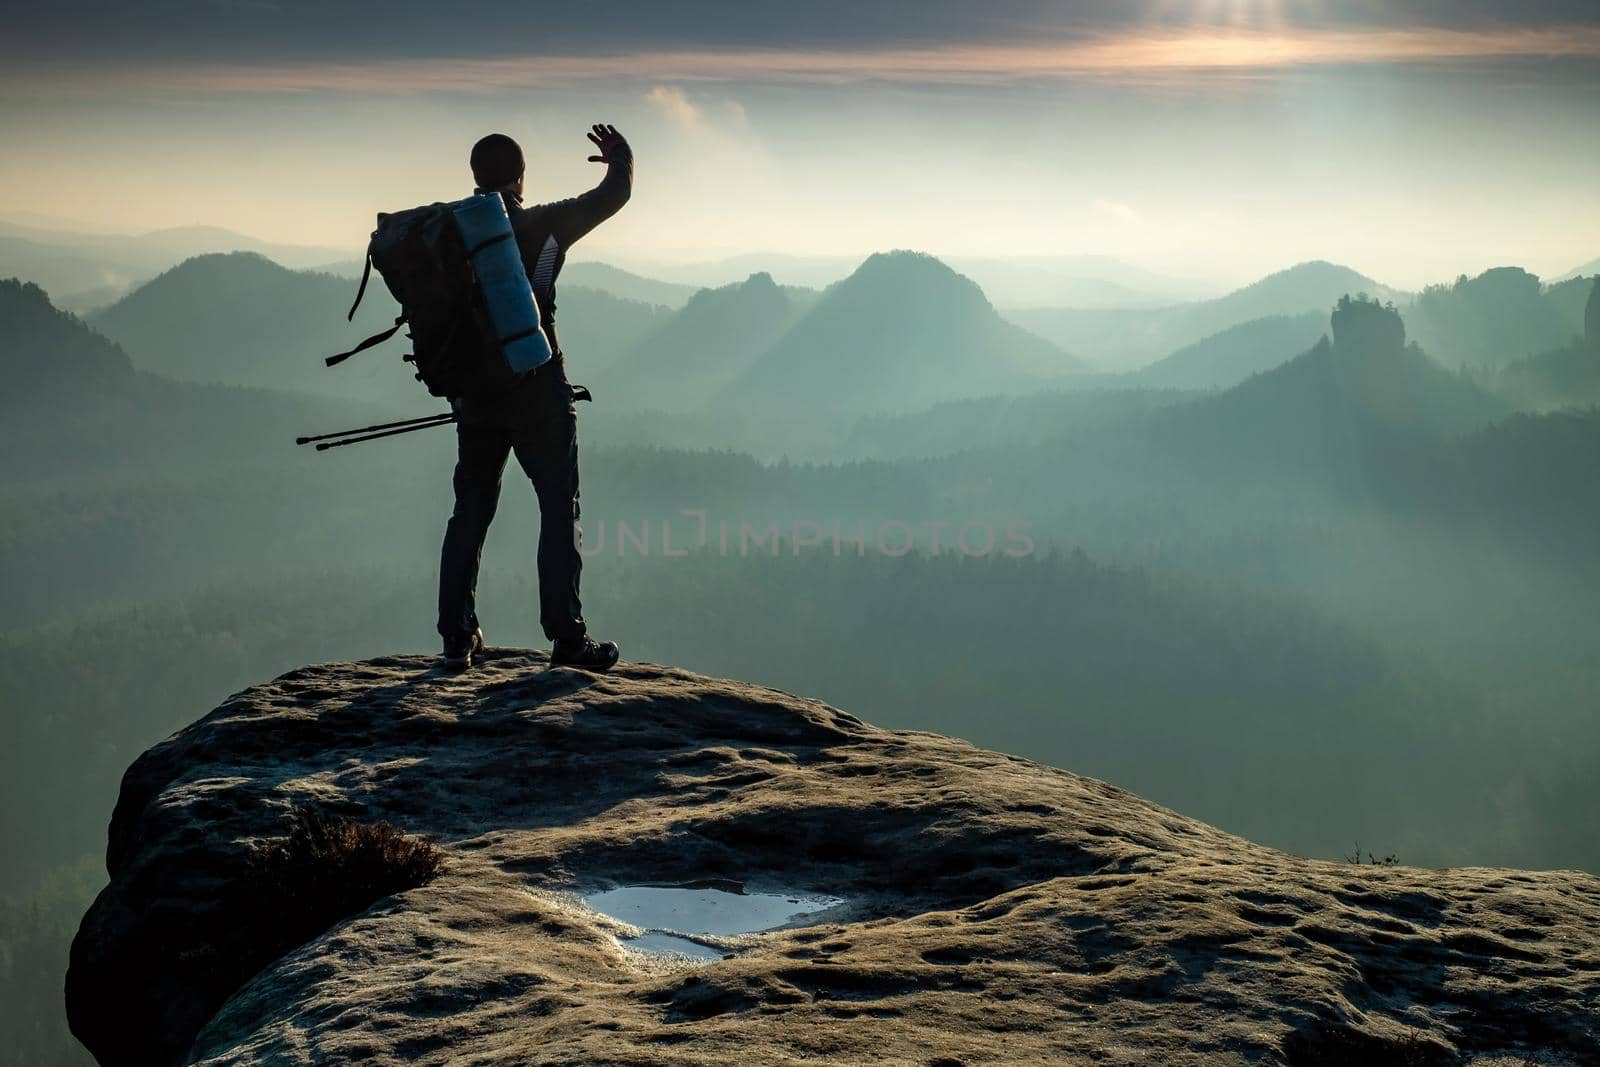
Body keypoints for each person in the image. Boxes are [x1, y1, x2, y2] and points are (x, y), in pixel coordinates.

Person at [437, 125, 632, 671]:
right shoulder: (543, 224)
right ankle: (567, 639)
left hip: (474, 397)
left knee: (470, 511)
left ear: (475, 176)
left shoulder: (451, 232)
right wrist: (619, 155)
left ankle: (456, 638)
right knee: (557, 510)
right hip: (539, 392)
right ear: (522, 177)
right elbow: (613, 195)